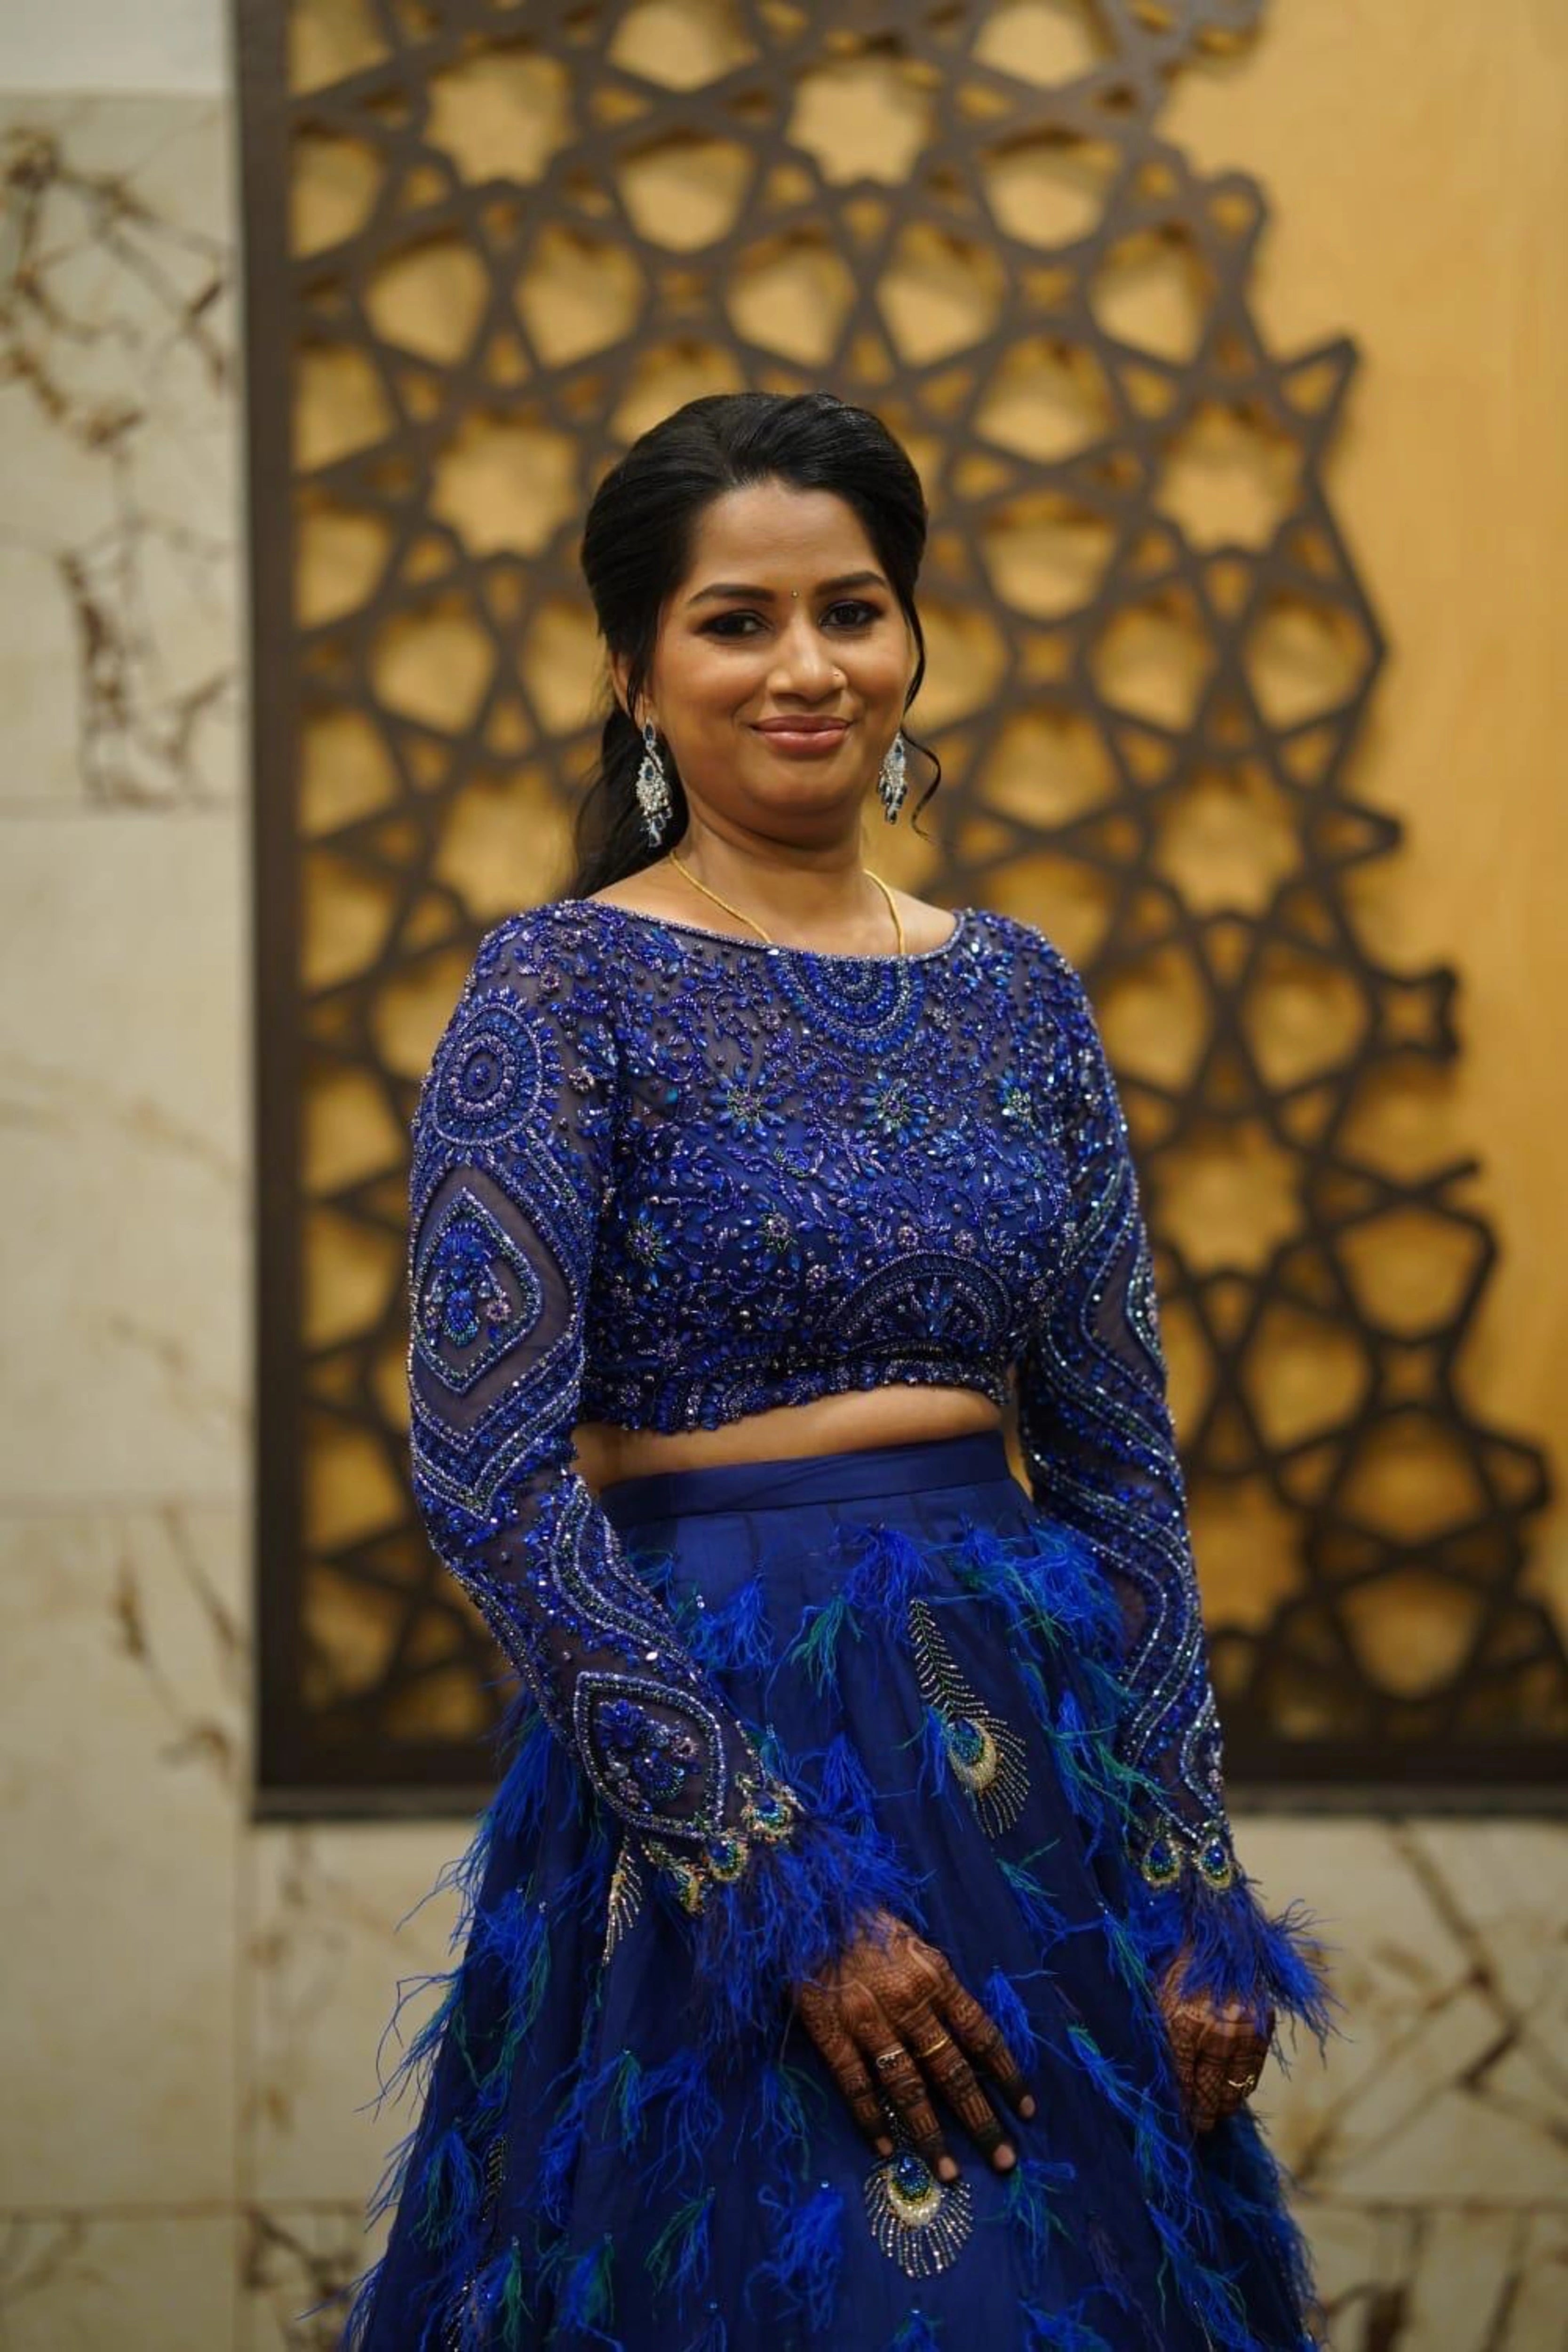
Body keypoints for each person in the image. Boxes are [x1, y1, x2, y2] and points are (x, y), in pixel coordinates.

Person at [337, 390, 1332, 2352]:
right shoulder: (561, 988)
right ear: (633, 672)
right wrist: (769, 1879)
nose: (806, 666)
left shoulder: (1019, 990)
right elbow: (486, 1469)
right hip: (719, 1768)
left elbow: (1123, 1464)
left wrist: (1197, 1873)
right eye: (735, 619)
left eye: (851, 608)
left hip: (1037, 1766)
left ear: (913, 639)